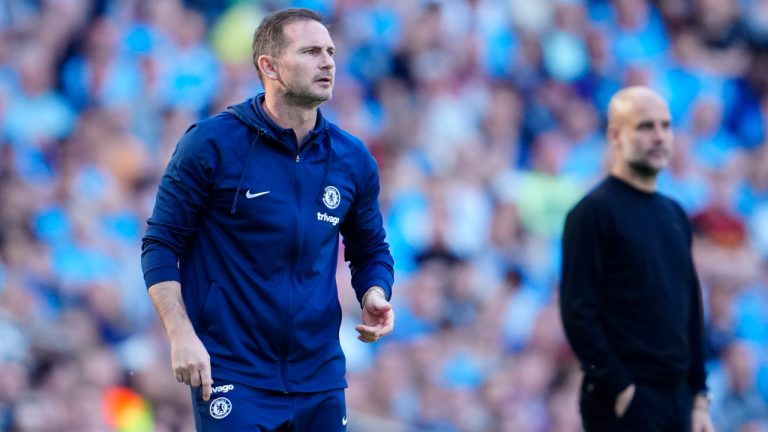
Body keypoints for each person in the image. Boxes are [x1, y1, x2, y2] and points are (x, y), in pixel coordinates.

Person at [140, 8, 395, 431]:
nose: (328, 61)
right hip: (232, 374)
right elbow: (161, 244)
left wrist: (373, 291)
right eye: (311, 51)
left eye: (330, 51)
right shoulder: (210, 144)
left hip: (320, 378)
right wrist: (180, 334)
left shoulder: (352, 159)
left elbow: (370, 249)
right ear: (269, 66)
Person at [559, 86, 715, 432]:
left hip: (678, 399)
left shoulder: (675, 214)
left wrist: (700, 396)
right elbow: (578, 311)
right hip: (626, 401)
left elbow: (690, 309)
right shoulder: (593, 213)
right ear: (615, 136)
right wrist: (620, 387)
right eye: (645, 127)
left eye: (665, 126)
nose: (659, 137)